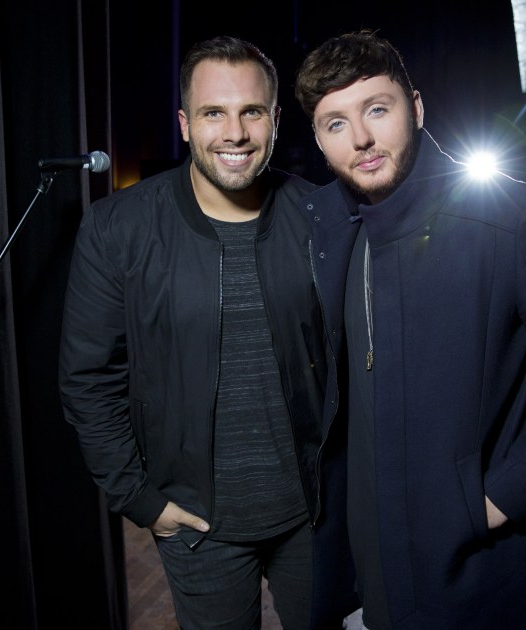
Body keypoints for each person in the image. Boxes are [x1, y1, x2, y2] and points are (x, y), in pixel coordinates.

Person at [294, 30, 526, 629]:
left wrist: (488, 503)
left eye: (377, 110)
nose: (360, 138)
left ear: (415, 108)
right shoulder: (332, 232)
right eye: (334, 123)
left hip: (483, 583)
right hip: (370, 578)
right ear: (317, 138)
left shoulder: (513, 220)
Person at [59, 35, 357, 629]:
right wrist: (142, 500)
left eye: (250, 111)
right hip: (198, 525)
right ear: (185, 125)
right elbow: (88, 379)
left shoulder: (324, 216)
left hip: (313, 515)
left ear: (274, 120)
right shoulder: (118, 228)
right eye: (213, 112)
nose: (235, 133)